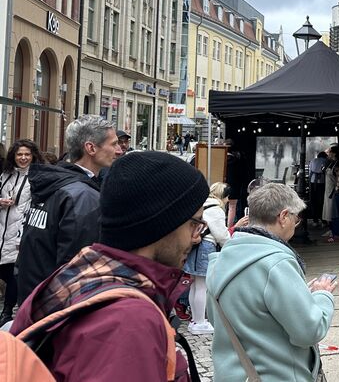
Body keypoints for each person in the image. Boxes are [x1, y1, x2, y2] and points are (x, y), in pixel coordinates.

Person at [11, 151, 209, 380]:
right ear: (161, 223)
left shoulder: (78, 271)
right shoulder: (127, 322)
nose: (196, 237)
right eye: (194, 223)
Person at [207, 183, 336, 381]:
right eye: (296, 219)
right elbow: (309, 331)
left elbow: (220, 319)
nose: (295, 225)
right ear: (283, 217)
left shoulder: (220, 261)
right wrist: (322, 295)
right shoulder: (276, 264)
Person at [16, 115, 121, 304]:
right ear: (91, 148)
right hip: (58, 307)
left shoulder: (54, 184)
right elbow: (77, 269)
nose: (119, 150)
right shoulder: (83, 196)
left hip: (34, 300)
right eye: (113, 144)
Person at [0, 140, 42, 325]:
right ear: (13, 156)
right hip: (2, 228)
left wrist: (24, 233)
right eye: (19, 154)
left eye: (27, 154)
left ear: (33, 156)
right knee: (5, 270)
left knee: (14, 274)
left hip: (20, 231)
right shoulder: (5, 175)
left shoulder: (37, 177)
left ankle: (7, 312)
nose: (23, 158)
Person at [183, 182, 233, 335]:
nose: (227, 200)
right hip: (205, 247)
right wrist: (230, 244)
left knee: (195, 285)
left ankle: (195, 320)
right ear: (223, 196)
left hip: (195, 247)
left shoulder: (202, 205)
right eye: (227, 197)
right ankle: (200, 322)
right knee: (202, 286)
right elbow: (221, 235)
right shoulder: (216, 209)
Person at [307, 151, 329, 228]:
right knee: (321, 201)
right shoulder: (326, 161)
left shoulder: (313, 160)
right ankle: (323, 220)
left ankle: (315, 221)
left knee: (313, 201)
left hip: (313, 182)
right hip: (322, 183)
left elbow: (310, 172)